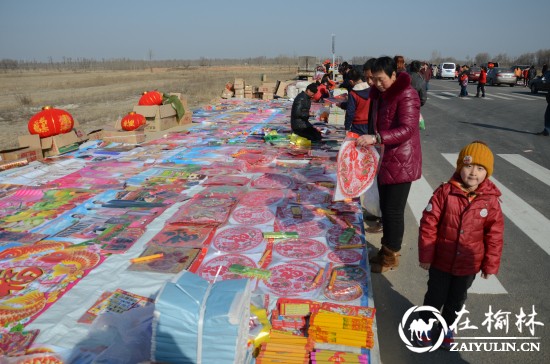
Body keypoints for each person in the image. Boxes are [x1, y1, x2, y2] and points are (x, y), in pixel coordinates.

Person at [417, 141, 504, 350]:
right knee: (435, 296)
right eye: (468, 166)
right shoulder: (444, 192)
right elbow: (428, 224)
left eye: (480, 168)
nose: (473, 173)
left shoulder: (491, 201)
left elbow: (495, 235)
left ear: (487, 173)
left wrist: (490, 265)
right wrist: (426, 256)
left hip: (468, 264)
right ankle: (425, 324)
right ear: (459, 167)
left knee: (457, 300)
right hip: (441, 261)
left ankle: (447, 326)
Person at [355, 56, 422, 273]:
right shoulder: (380, 95)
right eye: (373, 79)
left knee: (393, 211)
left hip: (401, 160)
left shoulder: (407, 94)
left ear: (394, 75)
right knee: (385, 208)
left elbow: (408, 129)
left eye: (381, 78)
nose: (376, 83)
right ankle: (386, 249)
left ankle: (390, 256)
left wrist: (376, 138)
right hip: (385, 157)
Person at [344, 68, 371, 134]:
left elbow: (350, 112)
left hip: (357, 125)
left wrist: (347, 127)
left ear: (351, 81)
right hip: (370, 123)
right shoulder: (371, 89)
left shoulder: (353, 93)